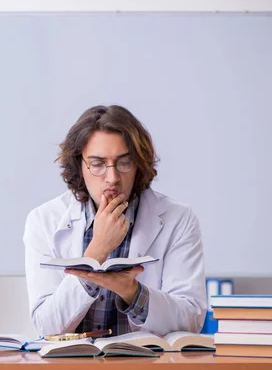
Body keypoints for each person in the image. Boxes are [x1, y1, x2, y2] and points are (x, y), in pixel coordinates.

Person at [24, 105, 206, 337]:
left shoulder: (178, 218)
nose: (112, 178)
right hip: (73, 368)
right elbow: (47, 326)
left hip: (148, 368)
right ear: (79, 165)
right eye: (98, 164)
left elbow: (191, 320)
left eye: (124, 162)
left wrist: (132, 292)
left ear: (139, 163)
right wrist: (98, 249)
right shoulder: (43, 220)